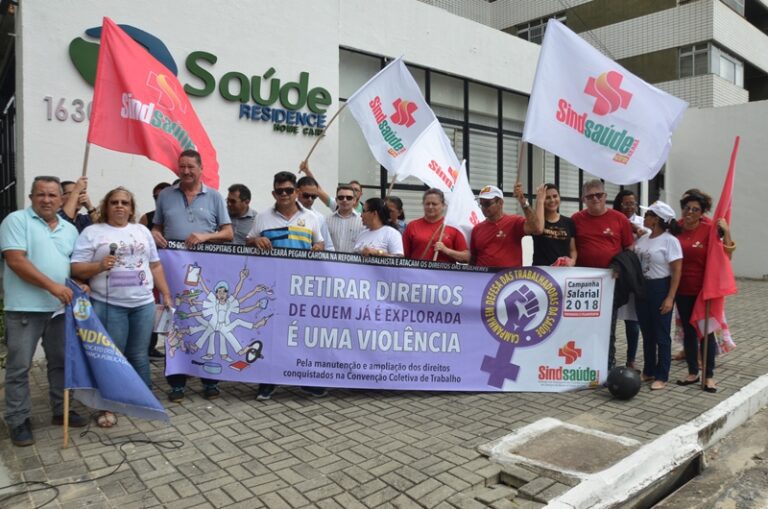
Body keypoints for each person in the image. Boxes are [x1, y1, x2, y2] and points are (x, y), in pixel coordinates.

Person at [71, 187, 173, 427]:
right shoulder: (92, 232)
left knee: (138, 354)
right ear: (106, 206)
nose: (119, 206)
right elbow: (75, 268)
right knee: (110, 356)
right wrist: (98, 266)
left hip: (142, 303)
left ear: (131, 208)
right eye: (114, 202)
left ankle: (143, 399)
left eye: (124, 203)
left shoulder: (141, 231)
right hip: (109, 304)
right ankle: (106, 406)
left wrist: (166, 293)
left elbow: (155, 266)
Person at [0, 176, 88, 446]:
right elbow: (16, 260)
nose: (47, 200)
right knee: (19, 367)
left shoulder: (69, 229)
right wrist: (52, 286)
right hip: (25, 308)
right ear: (31, 197)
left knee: (61, 363)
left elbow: (69, 266)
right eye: (41, 195)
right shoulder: (16, 221)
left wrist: (81, 283)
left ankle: (61, 409)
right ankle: (18, 419)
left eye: (52, 195)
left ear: (62, 200)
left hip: (60, 309)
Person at [152, 149, 233, 402]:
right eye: (182, 166)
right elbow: (157, 226)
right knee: (176, 323)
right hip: (173, 270)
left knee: (209, 322)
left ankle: (210, 381)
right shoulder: (165, 195)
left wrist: (206, 236)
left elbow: (228, 232)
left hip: (206, 270)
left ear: (200, 170)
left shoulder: (215, 197)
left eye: (191, 167)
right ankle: (176, 382)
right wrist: (153, 233)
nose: (186, 171)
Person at [247, 171, 325, 400]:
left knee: (301, 334)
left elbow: (319, 241)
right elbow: (248, 239)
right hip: (272, 286)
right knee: (270, 334)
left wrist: (318, 247)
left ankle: (305, 380)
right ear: (273, 192)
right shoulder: (262, 217)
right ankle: (267, 382)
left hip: (302, 288)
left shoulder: (311, 217)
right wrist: (255, 240)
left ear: (297, 192)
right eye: (279, 191)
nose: (284, 194)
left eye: (289, 190)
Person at [674, 190, 734, 393]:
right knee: (689, 333)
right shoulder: (676, 227)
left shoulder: (710, 228)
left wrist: (725, 231)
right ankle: (693, 371)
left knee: (706, 333)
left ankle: (708, 376)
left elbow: (726, 254)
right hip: (681, 290)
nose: (689, 212)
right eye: (686, 208)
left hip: (703, 292)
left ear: (702, 212)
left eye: (695, 209)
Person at [572, 179, 634, 371]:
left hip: (610, 284)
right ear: (584, 199)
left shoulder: (619, 219)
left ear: (605, 196)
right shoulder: (576, 219)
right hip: (584, 286)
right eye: (591, 196)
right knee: (583, 327)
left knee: (607, 328)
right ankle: (583, 365)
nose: (595, 199)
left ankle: (606, 367)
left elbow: (629, 248)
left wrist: (619, 266)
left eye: (599, 195)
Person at [633, 201, 682, 391]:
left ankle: (662, 375)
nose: (644, 218)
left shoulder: (670, 241)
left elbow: (677, 271)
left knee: (661, 334)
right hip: (643, 287)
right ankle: (649, 369)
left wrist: (670, 297)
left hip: (660, 287)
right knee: (647, 332)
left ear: (657, 219)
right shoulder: (644, 238)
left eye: (648, 215)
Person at [612, 189, 647, 371]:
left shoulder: (642, 223)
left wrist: (635, 228)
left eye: (632, 203)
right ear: (619, 204)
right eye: (626, 203)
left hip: (634, 276)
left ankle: (631, 360)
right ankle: (608, 358)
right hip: (616, 276)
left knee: (633, 323)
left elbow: (648, 235)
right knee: (609, 322)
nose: (629, 207)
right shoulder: (612, 220)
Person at [470, 183, 544, 267]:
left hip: (509, 278)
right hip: (484, 278)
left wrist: (522, 201)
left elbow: (535, 227)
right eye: (481, 204)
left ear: (500, 203)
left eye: (487, 203)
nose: (484, 208)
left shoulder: (514, 222)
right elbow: (473, 259)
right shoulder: (476, 229)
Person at [139, 181, 172, 359]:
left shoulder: (174, 216)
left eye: (161, 196)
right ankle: (148, 346)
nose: (158, 200)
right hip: (153, 270)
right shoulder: (147, 217)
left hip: (174, 270)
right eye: (155, 197)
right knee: (152, 308)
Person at [403, 188, 468, 263]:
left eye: (434, 204)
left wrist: (446, 250)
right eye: (427, 204)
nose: (430, 207)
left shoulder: (453, 227)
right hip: (418, 273)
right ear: (423, 205)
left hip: (444, 274)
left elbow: (466, 257)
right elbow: (405, 255)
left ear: (443, 205)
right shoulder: (412, 226)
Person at [532, 183, 576, 266]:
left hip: (563, 273)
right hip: (541, 274)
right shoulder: (537, 222)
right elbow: (537, 229)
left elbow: (572, 250)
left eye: (555, 196)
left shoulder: (569, 222)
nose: (552, 200)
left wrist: (572, 261)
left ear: (560, 198)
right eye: (547, 198)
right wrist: (539, 202)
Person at [298, 160, 364, 213]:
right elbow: (318, 190)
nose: (353, 192)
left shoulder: (365, 210)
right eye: (351, 189)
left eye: (356, 190)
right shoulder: (337, 205)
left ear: (361, 193)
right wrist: (307, 171)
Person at [297, 175, 335, 250]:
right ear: (297, 192)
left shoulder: (319, 218)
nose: (310, 199)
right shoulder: (285, 213)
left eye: (313, 196)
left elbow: (329, 247)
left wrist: (320, 248)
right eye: (306, 195)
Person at [326, 184, 365, 253]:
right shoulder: (327, 220)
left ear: (354, 200)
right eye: (341, 197)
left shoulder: (362, 221)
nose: (344, 200)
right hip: (332, 262)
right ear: (336, 200)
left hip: (354, 263)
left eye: (349, 198)